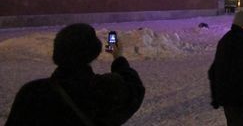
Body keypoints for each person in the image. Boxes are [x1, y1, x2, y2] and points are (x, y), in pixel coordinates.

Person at [6, 23, 145, 125]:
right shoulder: (103, 89)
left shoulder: (31, 93)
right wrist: (118, 57)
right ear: (93, 53)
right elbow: (135, 89)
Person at [209, 10, 243, 125]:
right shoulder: (239, 43)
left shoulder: (229, 39)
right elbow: (241, 76)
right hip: (237, 101)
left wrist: (217, 96)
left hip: (230, 99)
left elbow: (213, 71)